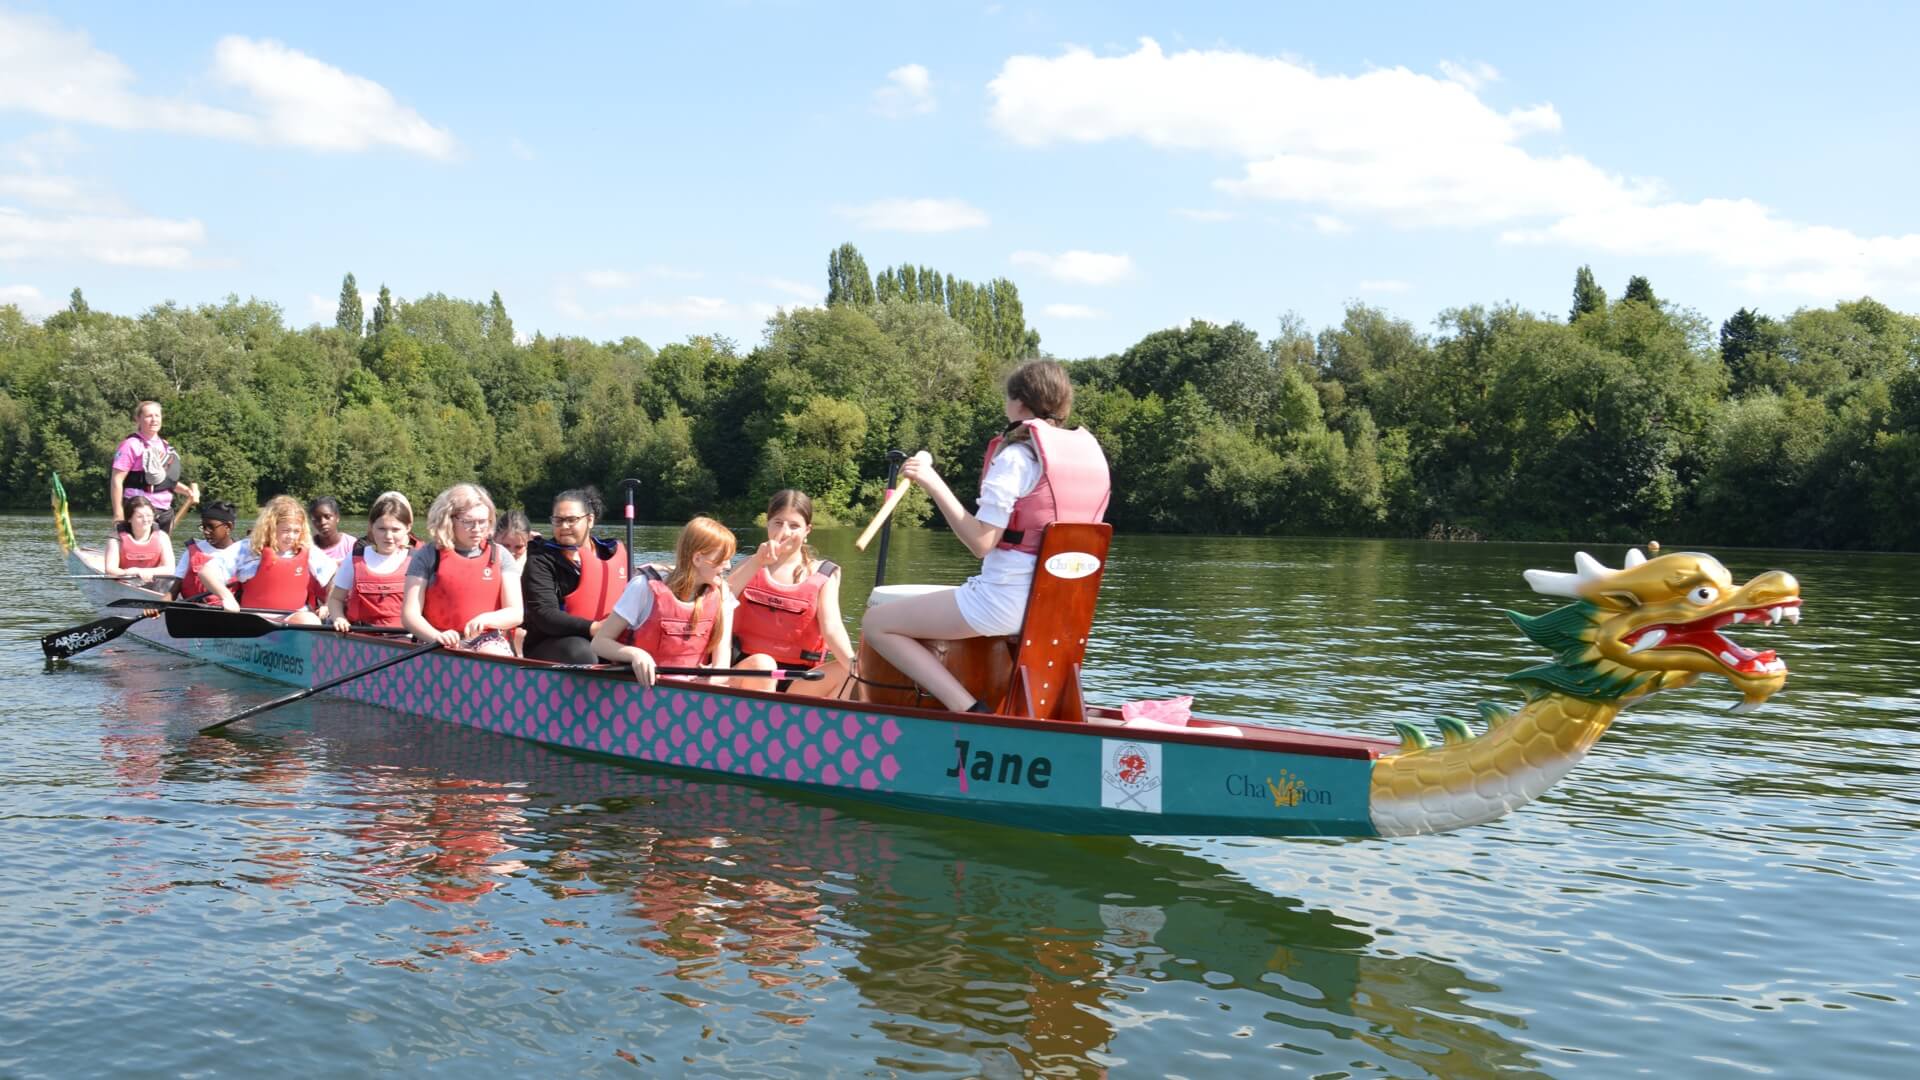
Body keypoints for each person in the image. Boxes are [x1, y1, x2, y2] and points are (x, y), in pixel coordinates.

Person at [860, 360, 1111, 712]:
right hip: (1062, 610)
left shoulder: (1017, 457)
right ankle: (1041, 713)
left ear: (1019, 403)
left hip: (1003, 603)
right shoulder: (1089, 459)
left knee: (876, 624)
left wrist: (932, 482)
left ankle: (966, 709)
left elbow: (981, 543)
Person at [727, 489, 856, 694]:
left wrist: (853, 665)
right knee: (764, 664)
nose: (785, 532)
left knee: (853, 669)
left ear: (807, 531)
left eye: (794, 526)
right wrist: (758, 561)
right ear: (767, 524)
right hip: (748, 671)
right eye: (778, 523)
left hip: (799, 680)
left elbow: (832, 628)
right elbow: (718, 603)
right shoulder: (748, 565)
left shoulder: (824, 574)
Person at [592, 516, 737, 686]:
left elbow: (722, 667)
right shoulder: (643, 587)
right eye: (722, 559)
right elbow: (599, 643)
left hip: (696, 691)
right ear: (697, 558)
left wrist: (712, 679)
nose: (728, 566)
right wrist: (636, 654)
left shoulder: (723, 594)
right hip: (647, 688)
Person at [402, 483, 522, 655]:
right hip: (436, 638)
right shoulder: (427, 555)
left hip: (486, 639)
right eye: (468, 522)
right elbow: (409, 615)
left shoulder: (500, 555)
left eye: (483, 522)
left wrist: (487, 619)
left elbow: (516, 613)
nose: (477, 529)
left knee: (492, 653)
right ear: (449, 519)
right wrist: (436, 636)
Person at [520, 488, 629, 664]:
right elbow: (544, 614)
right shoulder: (540, 560)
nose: (564, 527)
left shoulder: (610, 553)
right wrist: (595, 629)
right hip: (554, 643)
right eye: (558, 520)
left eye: (571, 520)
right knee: (583, 651)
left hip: (608, 636)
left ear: (590, 520)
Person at [200, 495, 337, 625]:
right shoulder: (247, 549)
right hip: (254, 619)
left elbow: (334, 574)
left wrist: (328, 604)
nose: (291, 537)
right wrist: (226, 597)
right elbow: (206, 572)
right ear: (271, 527)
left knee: (311, 620)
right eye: (286, 530)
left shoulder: (307, 550)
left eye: (296, 531)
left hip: (293, 619)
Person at [327, 491, 418, 632]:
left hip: (404, 639)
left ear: (408, 528)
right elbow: (335, 599)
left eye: (395, 530)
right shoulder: (355, 558)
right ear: (371, 527)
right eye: (382, 529)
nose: (388, 536)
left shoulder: (417, 560)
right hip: (361, 636)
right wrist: (339, 618)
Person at [109, 400, 198, 533]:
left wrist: (188, 492)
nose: (154, 420)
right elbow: (117, 479)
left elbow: (166, 482)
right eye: (149, 416)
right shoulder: (131, 444)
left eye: (157, 416)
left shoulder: (165, 446)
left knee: (157, 550)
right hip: (139, 509)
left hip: (164, 510)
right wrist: (118, 513)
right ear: (138, 419)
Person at [170, 500, 240, 604]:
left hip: (229, 614)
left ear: (228, 527)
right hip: (193, 611)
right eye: (203, 527)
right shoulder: (192, 552)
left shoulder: (242, 553)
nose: (206, 531)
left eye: (211, 527)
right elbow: (172, 592)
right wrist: (156, 606)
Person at [104, 494, 175, 587]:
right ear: (129, 518)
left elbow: (170, 569)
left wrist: (145, 572)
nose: (146, 520)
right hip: (125, 581)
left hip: (154, 584)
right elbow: (110, 569)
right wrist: (127, 573)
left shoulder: (162, 537)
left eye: (149, 515)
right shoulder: (116, 538)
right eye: (140, 516)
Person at [308, 495, 356, 567]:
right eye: (317, 519)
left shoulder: (351, 545)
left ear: (337, 517)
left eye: (327, 517)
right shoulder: (308, 547)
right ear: (313, 522)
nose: (323, 522)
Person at [494, 509, 533, 574]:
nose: (511, 553)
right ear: (494, 537)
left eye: (519, 547)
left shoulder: (536, 565)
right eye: (505, 546)